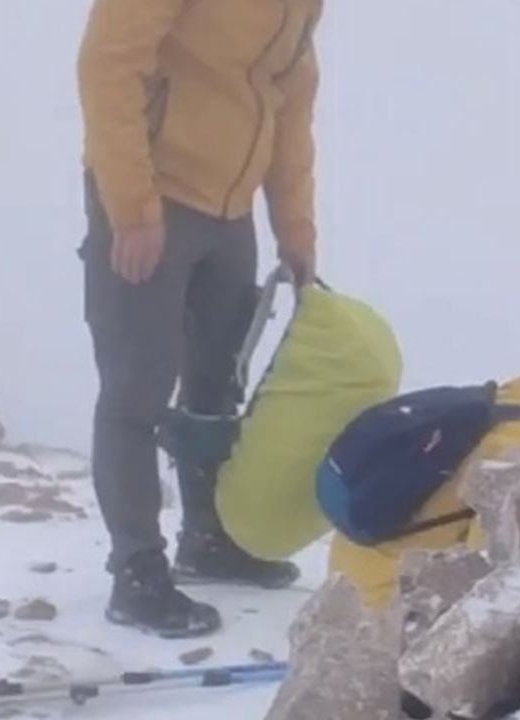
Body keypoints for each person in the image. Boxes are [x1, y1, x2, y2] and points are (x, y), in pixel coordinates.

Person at [75, 0, 324, 639]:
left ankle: (207, 538)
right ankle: (137, 571)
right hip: (152, 194)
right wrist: (130, 208)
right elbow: (108, 63)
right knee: (137, 389)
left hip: (228, 206)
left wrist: (293, 225)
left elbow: (290, 101)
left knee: (218, 380)